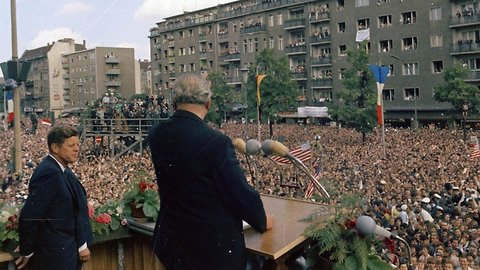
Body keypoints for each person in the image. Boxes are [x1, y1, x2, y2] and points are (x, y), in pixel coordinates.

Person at [148, 73, 272, 270]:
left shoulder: (156, 133)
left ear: (175, 102)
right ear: (208, 102)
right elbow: (238, 193)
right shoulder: (216, 142)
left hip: (171, 244)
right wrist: (261, 220)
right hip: (210, 251)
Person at [16, 125, 93, 270]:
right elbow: (29, 217)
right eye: (71, 145)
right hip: (55, 258)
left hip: (66, 252)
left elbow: (74, 208)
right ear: (55, 148)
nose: (77, 149)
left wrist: (82, 244)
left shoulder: (62, 169)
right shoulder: (49, 173)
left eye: (78, 144)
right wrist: (27, 251)